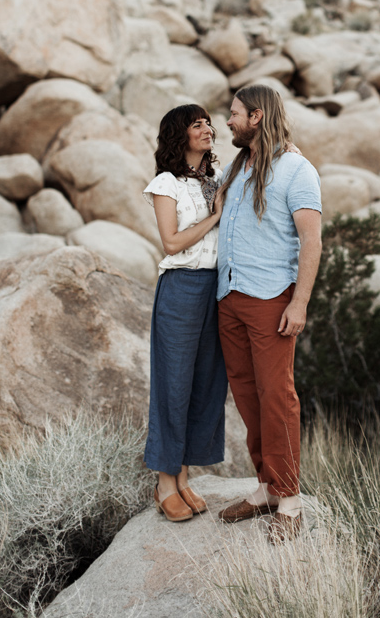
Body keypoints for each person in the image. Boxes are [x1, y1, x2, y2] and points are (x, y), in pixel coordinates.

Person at [214, 84, 322, 542]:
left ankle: (290, 500)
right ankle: (265, 488)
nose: (228, 121)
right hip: (230, 296)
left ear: (256, 117)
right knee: (246, 396)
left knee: (277, 397)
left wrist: (298, 303)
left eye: (235, 114)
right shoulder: (238, 168)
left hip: (271, 300)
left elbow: (312, 242)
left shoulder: (297, 170)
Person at [142, 104, 228, 523]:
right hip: (181, 290)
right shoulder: (165, 183)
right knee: (173, 384)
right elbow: (171, 243)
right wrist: (215, 217)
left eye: (209, 122)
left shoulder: (215, 180)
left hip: (215, 291)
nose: (208, 128)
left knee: (205, 383)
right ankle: (164, 482)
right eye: (198, 124)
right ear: (181, 135)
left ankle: (184, 475)